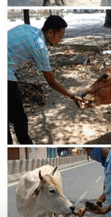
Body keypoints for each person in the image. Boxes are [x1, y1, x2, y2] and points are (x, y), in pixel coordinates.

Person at [8, 15, 84, 144]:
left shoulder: (27, 29)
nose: (60, 40)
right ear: (50, 32)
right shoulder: (40, 46)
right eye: (59, 36)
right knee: (19, 118)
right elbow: (51, 82)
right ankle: (26, 145)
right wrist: (72, 96)